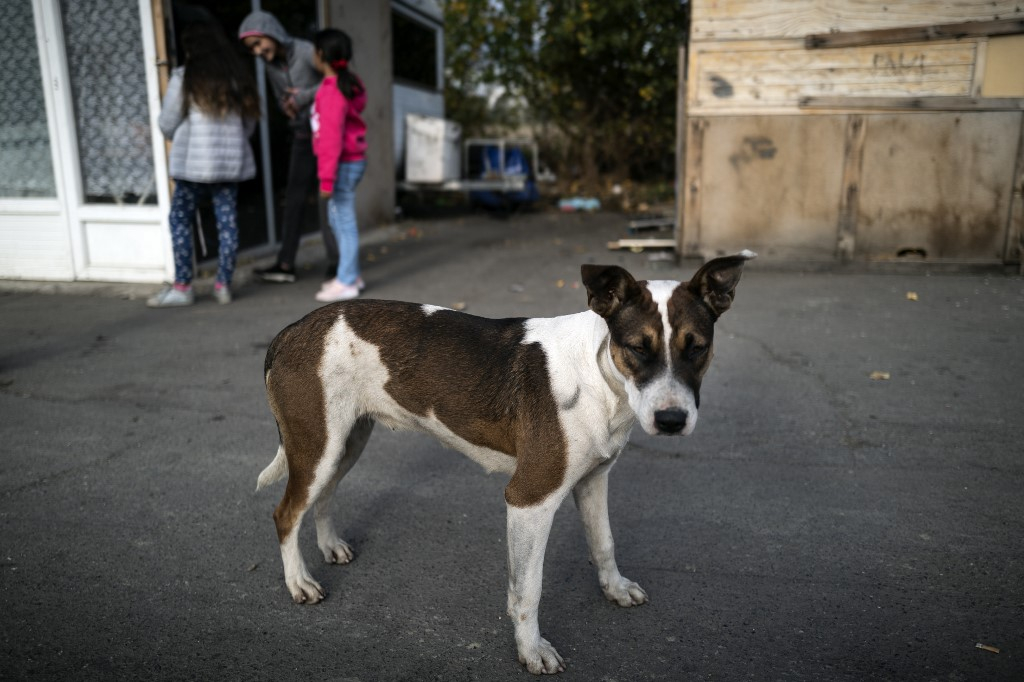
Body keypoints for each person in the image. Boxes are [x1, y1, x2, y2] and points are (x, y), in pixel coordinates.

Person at [148, 23, 260, 308]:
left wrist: (178, 136)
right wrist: (233, 145)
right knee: (227, 222)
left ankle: (183, 286)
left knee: (180, 219)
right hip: (228, 167)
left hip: (193, 167)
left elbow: (167, 121)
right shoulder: (236, 79)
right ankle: (223, 284)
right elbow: (249, 124)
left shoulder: (186, 78)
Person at [238, 10, 339, 284]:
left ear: (272, 33)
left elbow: (336, 82)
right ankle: (285, 264)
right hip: (302, 136)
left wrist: (304, 97)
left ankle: (337, 264)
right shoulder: (270, 66)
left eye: (259, 44)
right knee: (293, 199)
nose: (258, 52)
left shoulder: (307, 52)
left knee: (326, 198)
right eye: (252, 49)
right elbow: (282, 97)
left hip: (325, 133)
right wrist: (288, 107)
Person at [310, 28, 368, 303]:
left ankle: (346, 281)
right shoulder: (345, 85)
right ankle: (350, 274)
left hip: (342, 165)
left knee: (343, 220)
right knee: (339, 218)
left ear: (320, 54)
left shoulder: (332, 91)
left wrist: (326, 180)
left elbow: (331, 139)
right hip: (348, 163)